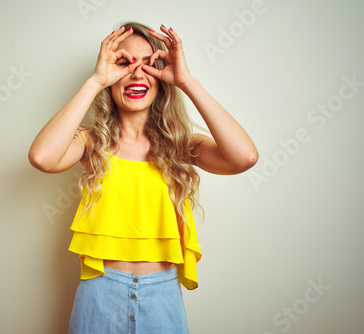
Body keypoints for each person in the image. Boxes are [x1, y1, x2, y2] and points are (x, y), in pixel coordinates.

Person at [28, 21, 258, 334]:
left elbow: (244, 157)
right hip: (100, 293)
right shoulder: (91, 140)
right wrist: (95, 81)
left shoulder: (182, 145)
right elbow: (42, 157)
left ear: (163, 77)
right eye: (124, 63)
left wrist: (187, 80)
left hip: (162, 297)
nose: (137, 73)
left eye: (149, 64)